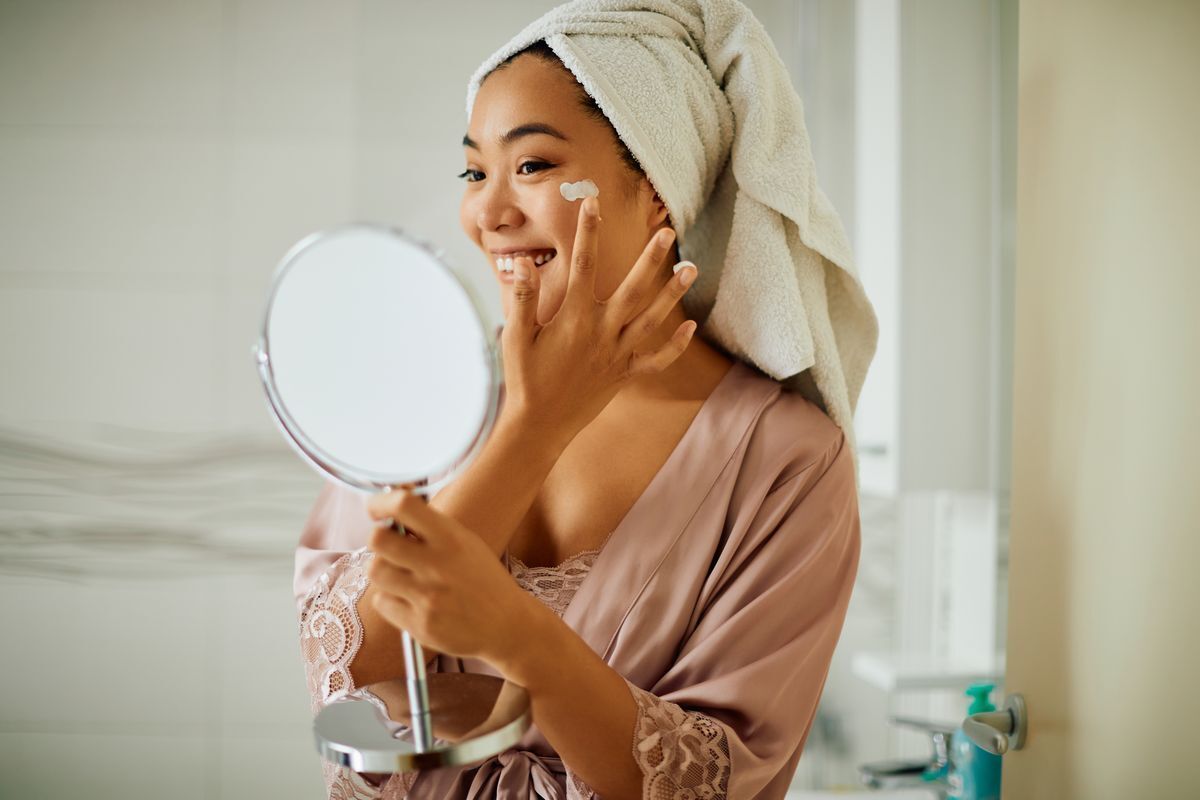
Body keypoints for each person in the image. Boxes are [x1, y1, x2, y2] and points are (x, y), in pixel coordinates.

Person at [295, 2, 877, 797]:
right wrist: (536, 424)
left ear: (658, 194)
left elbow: (713, 780)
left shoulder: (786, 462)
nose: (489, 215)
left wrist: (524, 642)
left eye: (530, 166)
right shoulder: (416, 398)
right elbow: (350, 675)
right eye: (475, 172)